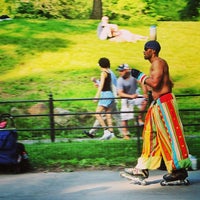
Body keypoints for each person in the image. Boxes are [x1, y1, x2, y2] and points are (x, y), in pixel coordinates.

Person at [123, 40, 191, 182]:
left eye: (145, 49)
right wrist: (144, 85)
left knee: (170, 135)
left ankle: (179, 171)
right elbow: (158, 85)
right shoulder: (155, 65)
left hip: (165, 104)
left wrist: (141, 76)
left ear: (152, 51)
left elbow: (155, 83)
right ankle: (142, 169)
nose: (143, 51)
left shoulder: (159, 62)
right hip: (157, 104)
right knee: (149, 135)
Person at [83, 70, 123, 138]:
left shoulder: (107, 73)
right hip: (111, 97)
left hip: (109, 97)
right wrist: (97, 82)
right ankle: (112, 133)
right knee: (109, 116)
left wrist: (97, 95)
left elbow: (105, 85)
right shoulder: (109, 73)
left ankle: (115, 132)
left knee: (104, 115)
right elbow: (104, 85)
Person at [116, 64, 148, 140]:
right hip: (126, 98)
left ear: (127, 70)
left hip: (135, 96)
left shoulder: (133, 76)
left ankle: (139, 119)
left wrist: (145, 93)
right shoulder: (120, 80)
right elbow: (120, 93)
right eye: (119, 71)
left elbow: (142, 82)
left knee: (145, 101)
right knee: (124, 116)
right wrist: (130, 96)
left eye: (122, 71)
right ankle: (125, 134)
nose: (120, 72)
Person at [92, 57, 116, 140]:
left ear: (100, 64)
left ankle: (106, 131)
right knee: (108, 115)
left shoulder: (103, 73)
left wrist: (96, 96)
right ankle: (112, 134)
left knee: (97, 113)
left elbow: (101, 85)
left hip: (105, 95)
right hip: (110, 94)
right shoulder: (109, 72)